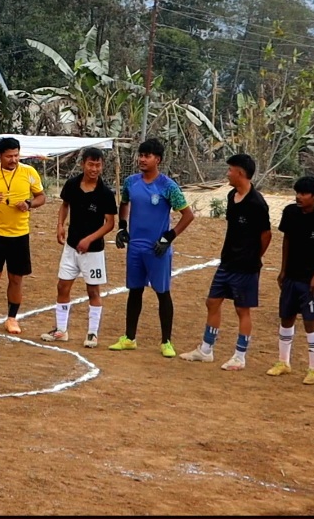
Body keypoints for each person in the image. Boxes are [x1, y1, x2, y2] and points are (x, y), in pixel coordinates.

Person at [180, 153, 271, 370]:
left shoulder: (257, 203)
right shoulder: (231, 196)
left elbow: (266, 235)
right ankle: (206, 350)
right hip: (227, 262)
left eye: (230, 170)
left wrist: (253, 257)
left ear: (240, 172)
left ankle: (240, 356)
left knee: (242, 310)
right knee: (212, 301)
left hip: (246, 266)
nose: (227, 173)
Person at [106, 139, 194, 355]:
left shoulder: (168, 186)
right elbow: (124, 202)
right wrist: (122, 227)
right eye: (141, 155)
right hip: (135, 247)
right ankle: (129, 338)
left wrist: (168, 238)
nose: (142, 159)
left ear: (158, 160)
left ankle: (166, 342)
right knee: (134, 292)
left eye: (147, 156)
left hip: (157, 249)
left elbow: (188, 215)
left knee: (162, 293)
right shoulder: (131, 182)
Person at [41, 146, 118, 348]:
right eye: (91, 164)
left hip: (93, 252)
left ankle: (92, 333)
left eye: (98, 165)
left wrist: (89, 239)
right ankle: (61, 330)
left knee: (93, 290)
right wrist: (60, 225)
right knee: (62, 286)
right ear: (83, 163)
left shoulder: (105, 194)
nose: (94, 169)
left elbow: (110, 223)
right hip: (71, 247)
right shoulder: (73, 185)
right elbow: (65, 205)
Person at [265, 176, 314, 385]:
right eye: (297, 192)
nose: (298, 197)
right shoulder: (290, 213)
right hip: (291, 276)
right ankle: (283, 362)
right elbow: (287, 239)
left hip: (310, 280)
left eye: (304, 194)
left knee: (310, 321)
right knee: (286, 318)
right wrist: (283, 269)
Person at [0, 137, 46, 334]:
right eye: (9, 156)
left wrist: (29, 204)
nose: (13, 160)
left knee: (16, 278)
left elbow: (41, 197)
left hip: (20, 235)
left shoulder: (29, 173)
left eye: (16, 155)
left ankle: (12, 318)